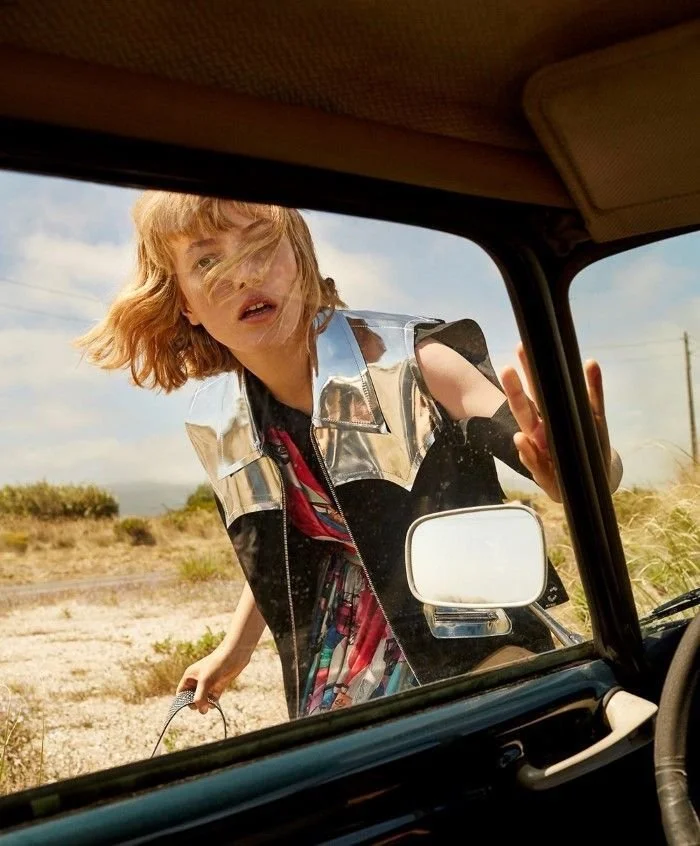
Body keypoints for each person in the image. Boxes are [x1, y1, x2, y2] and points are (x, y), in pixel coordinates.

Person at [77, 193, 623, 721]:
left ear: (300, 257)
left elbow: (571, 467)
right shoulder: (221, 421)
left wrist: (584, 467)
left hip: (469, 634)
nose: (243, 275)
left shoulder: (416, 361)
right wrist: (233, 650)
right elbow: (277, 545)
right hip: (337, 643)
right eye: (206, 260)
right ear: (185, 304)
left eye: (260, 243)